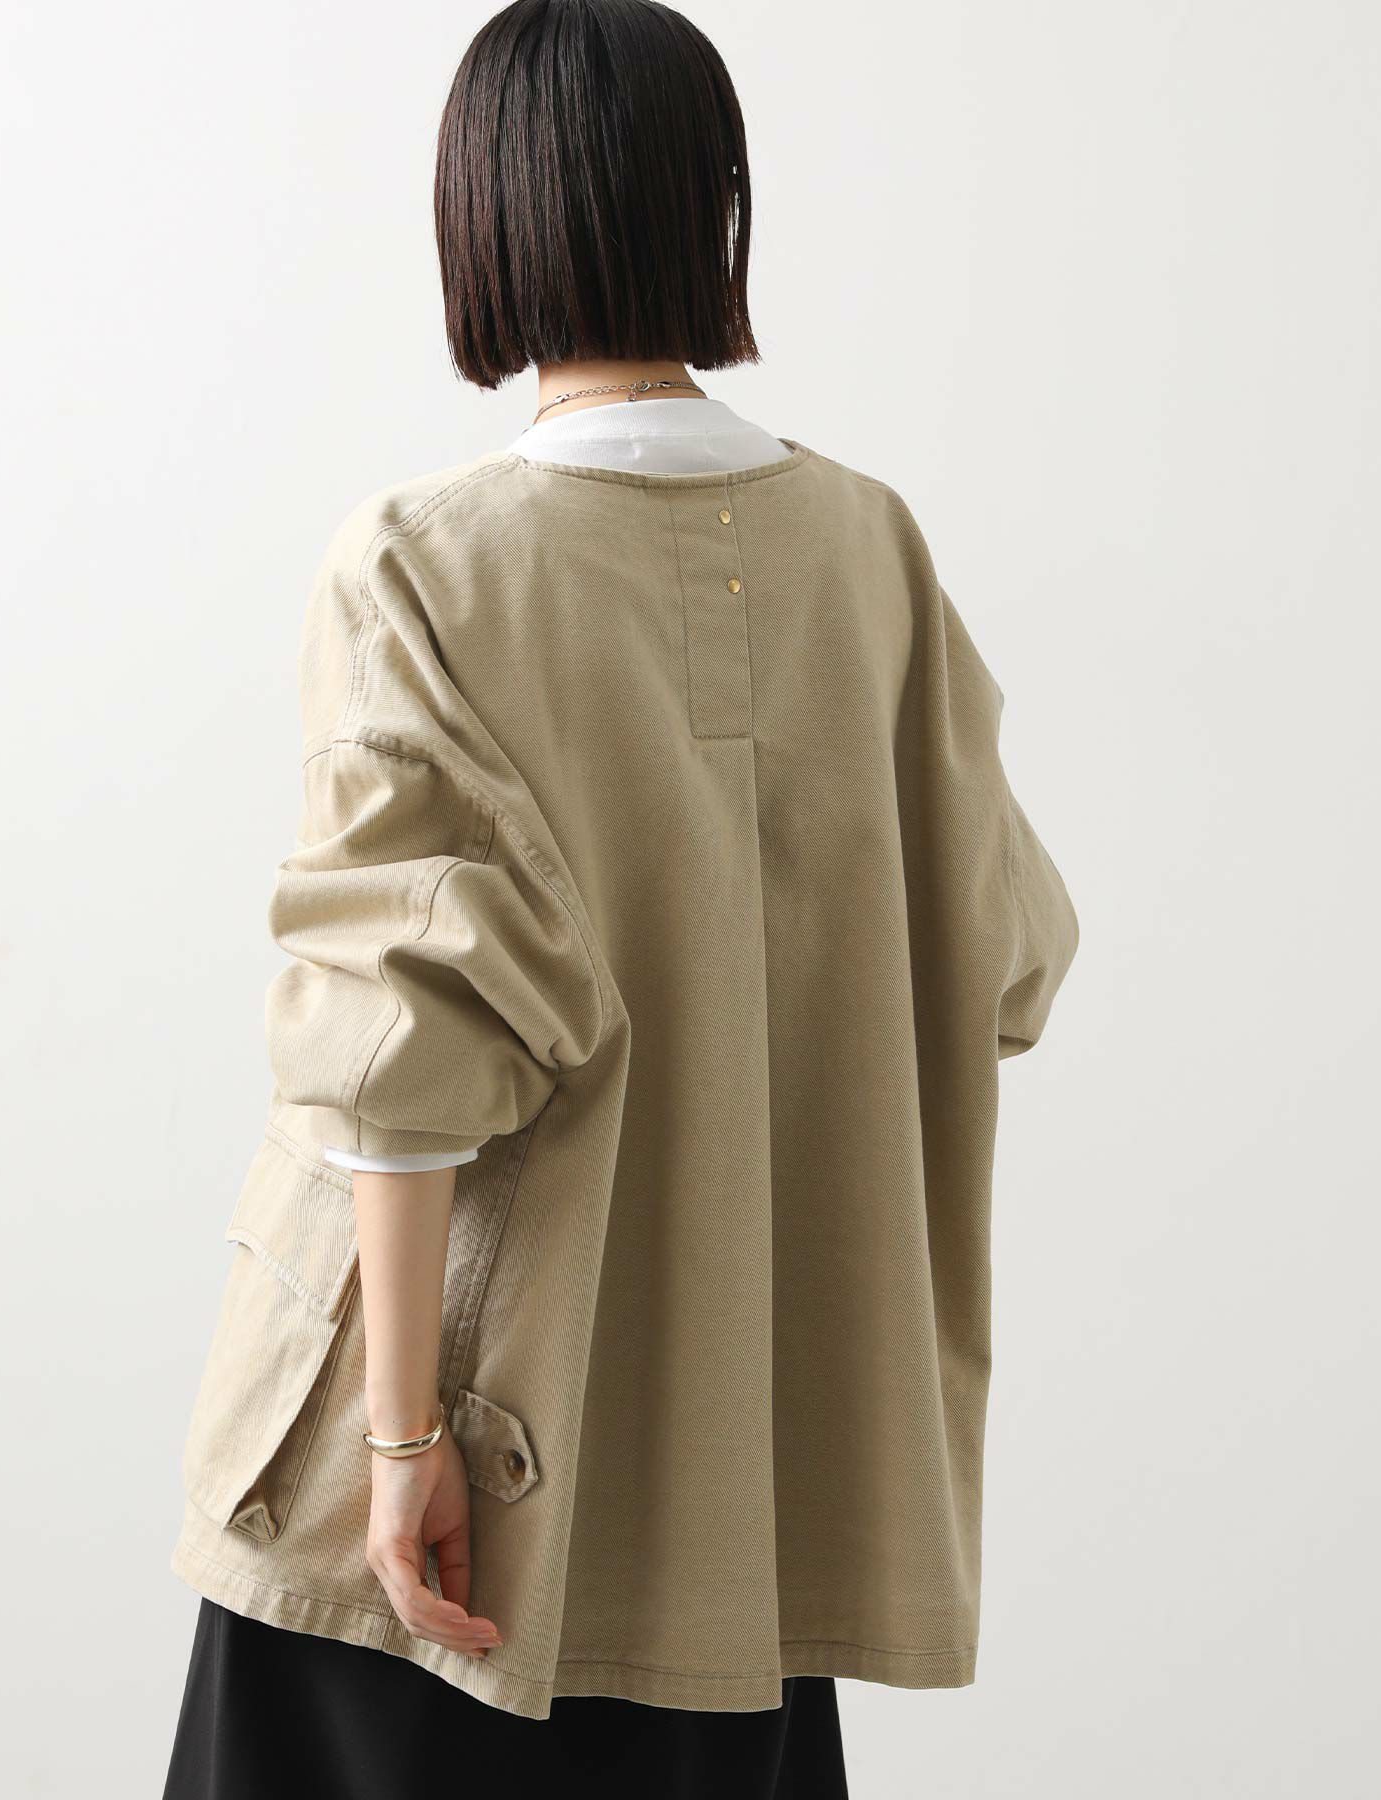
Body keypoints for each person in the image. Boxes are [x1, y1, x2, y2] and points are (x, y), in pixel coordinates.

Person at [163, 2, 1079, 1794]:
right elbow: (1008, 961)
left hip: (454, 1470)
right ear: (717, 211)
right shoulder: (873, 553)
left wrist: (401, 1437)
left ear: (483, 219)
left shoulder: (418, 564)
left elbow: (397, 1060)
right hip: (741, 1493)